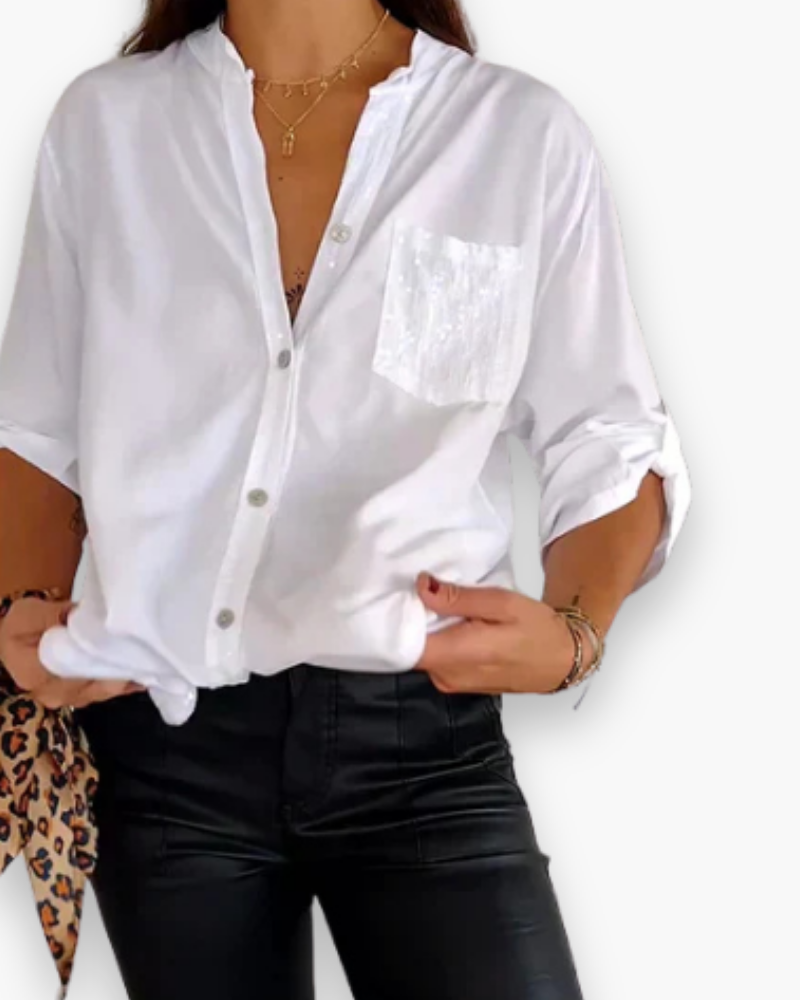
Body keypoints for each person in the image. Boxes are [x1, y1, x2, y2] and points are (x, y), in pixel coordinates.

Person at [0, 1, 691, 997]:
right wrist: (23, 609)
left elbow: (609, 435)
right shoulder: (107, 125)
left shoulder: (515, 136)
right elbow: (37, 431)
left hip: (421, 743)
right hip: (160, 745)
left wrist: (576, 631)